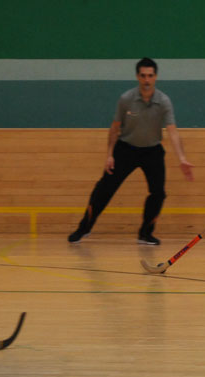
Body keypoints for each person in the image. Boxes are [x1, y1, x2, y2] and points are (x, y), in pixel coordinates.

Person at [68, 58, 194, 245]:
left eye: (150, 76)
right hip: (125, 149)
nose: (146, 80)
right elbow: (115, 127)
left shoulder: (163, 101)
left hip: (152, 151)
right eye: (143, 75)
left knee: (158, 193)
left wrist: (182, 158)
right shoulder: (126, 99)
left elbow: (173, 131)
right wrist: (109, 154)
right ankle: (83, 229)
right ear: (137, 76)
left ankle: (145, 233)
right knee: (104, 189)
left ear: (155, 77)